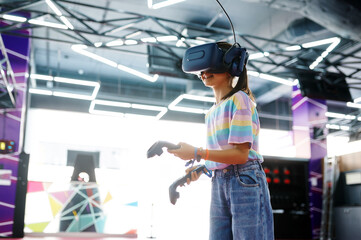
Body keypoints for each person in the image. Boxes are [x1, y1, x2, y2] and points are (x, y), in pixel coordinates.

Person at [168, 42, 274, 240]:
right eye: (202, 70)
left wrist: (197, 153)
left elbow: (240, 155)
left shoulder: (240, 100)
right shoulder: (211, 112)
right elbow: (223, 154)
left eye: (211, 68)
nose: (204, 73)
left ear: (232, 67)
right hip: (219, 180)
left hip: (244, 179)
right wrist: (203, 168)